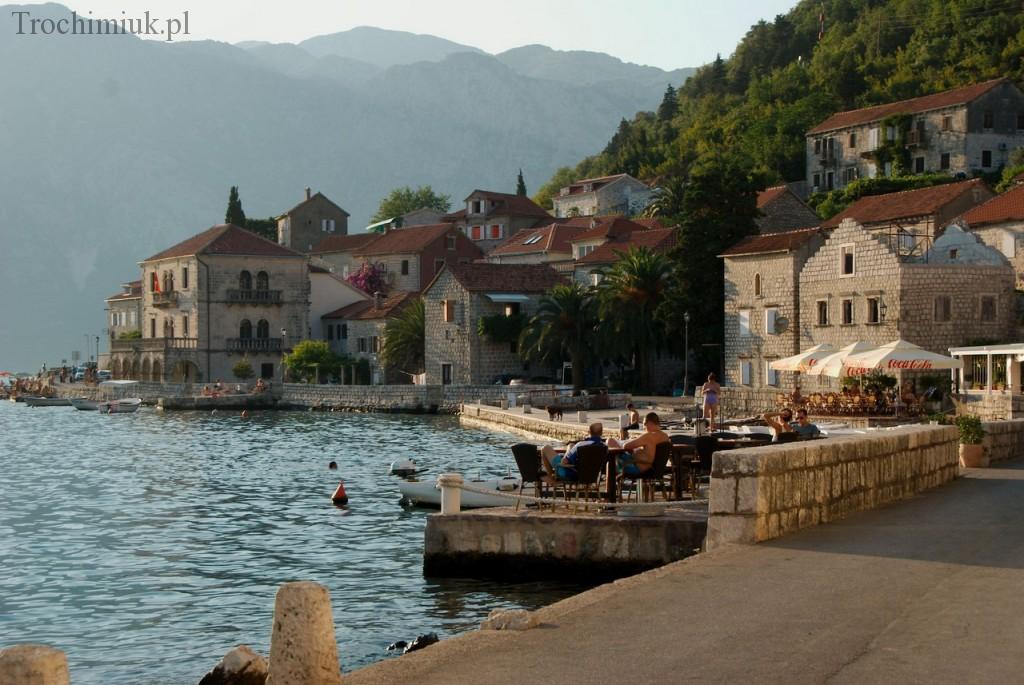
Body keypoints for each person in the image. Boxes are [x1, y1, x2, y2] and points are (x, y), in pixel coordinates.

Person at [540, 422, 615, 482]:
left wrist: (568, 451)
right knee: (571, 445)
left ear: (589, 432)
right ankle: (551, 478)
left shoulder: (580, 445)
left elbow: (564, 462)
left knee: (545, 448)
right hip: (593, 476)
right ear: (601, 433)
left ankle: (552, 479)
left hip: (572, 475)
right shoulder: (604, 447)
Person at [620, 412, 670, 477]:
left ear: (649, 423)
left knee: (614, 459)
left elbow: (626, 446)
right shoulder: (665, 436)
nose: (644, 427)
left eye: (644, 424)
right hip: (656, 470)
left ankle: (611, 484)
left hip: (641, 469)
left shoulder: (649, 436)